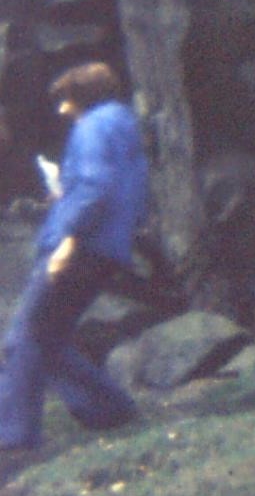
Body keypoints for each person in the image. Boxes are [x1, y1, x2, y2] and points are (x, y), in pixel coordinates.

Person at [0, 63, 148, 459]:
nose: (62, 109)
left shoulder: (92, 128)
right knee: (48, 338)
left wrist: (68, 240)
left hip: (79, 247)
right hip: (107, 247)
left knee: (23, 337)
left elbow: (94, 189)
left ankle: (13, 439)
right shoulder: (123, 126)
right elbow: (113, 187)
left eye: (67, 99)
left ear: (85, 97)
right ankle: (112, 411)